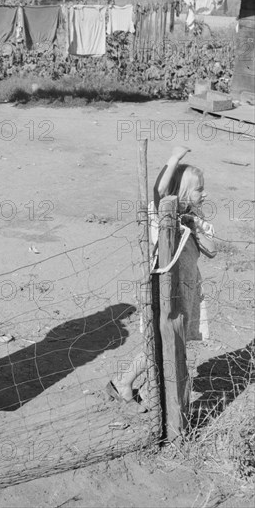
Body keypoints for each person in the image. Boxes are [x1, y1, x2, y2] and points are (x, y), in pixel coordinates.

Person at [106, 146, 216, 409]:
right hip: (164, 289)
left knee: (175, 340)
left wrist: (195, 229)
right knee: (163, 339)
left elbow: (213, 250)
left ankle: (136, 387)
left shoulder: (195, 219)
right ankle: (133, 386)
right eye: (199, 189)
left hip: (188, 289)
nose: (205, 193)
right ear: (182, 192)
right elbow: (159, 190)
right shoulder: (164, 215)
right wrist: (174, 159)